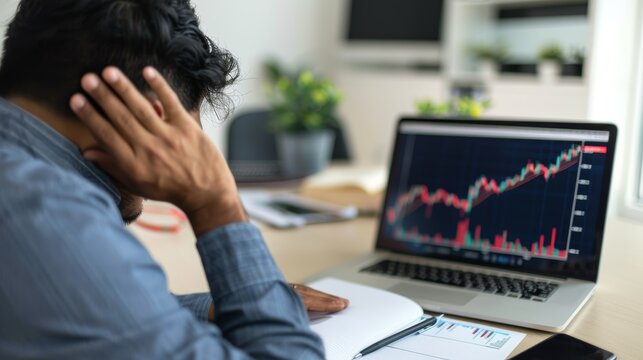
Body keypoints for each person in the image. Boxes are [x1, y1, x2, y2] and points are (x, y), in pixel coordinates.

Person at [0, 0, 347, 358]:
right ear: (142, 118)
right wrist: (216, 201)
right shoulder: (54, 220)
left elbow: (62, 303)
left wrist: (220, 304)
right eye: (188, 139)